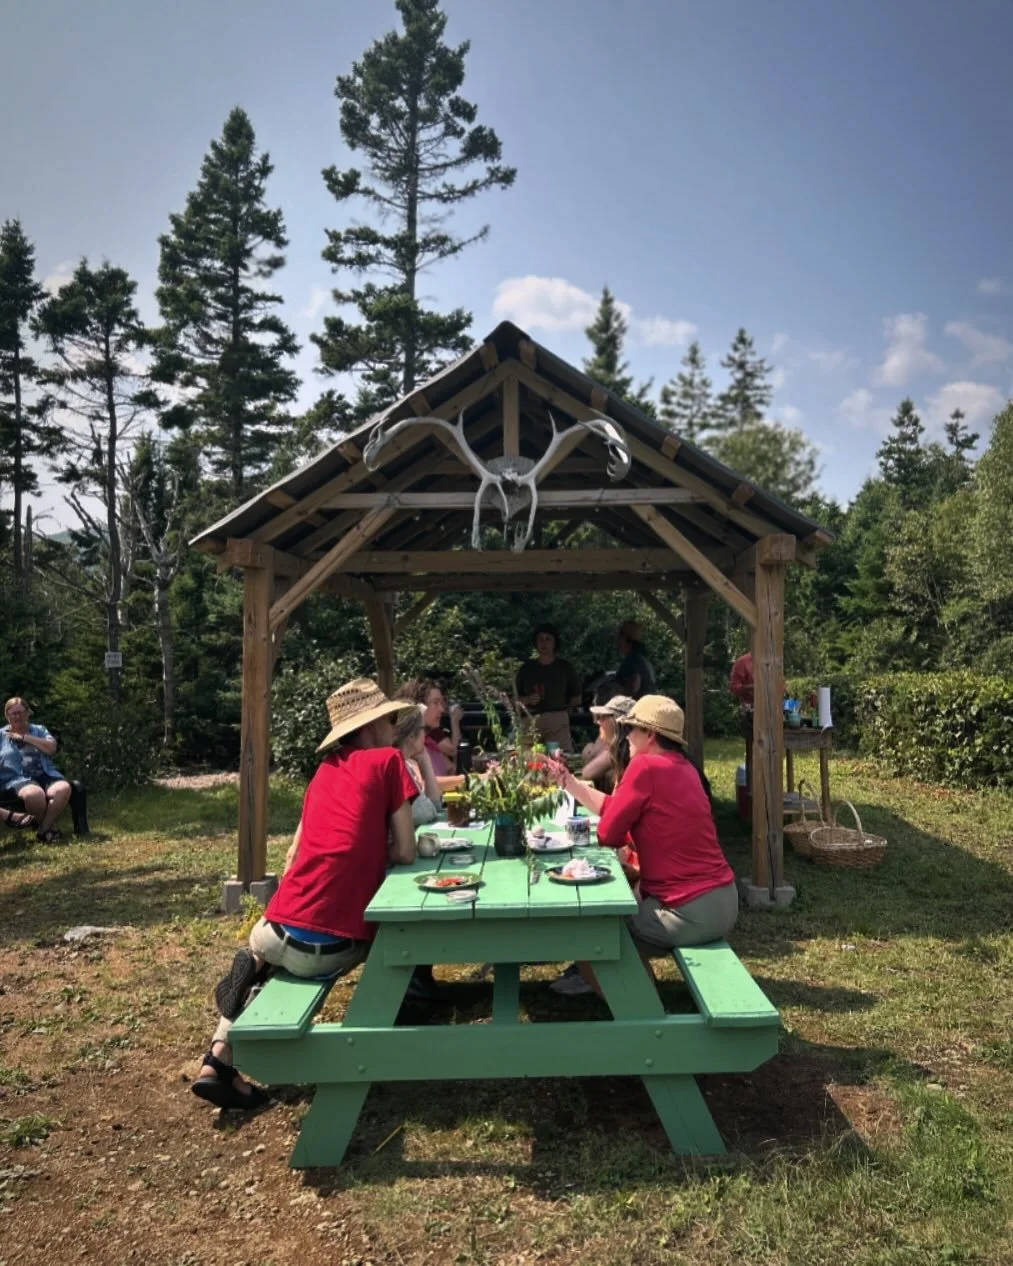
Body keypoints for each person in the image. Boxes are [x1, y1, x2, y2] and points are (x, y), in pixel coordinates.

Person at [191, 678, 418, 1111]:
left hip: (275, 927)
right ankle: (255, 990)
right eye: (389, 719)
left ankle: (217, 1060)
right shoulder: (387, 761)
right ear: (370, 726)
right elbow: (406, 851)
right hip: (332, 945)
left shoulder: (324, 772)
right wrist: (374, 854)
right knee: (326, 958)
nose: (394, 727)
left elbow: (296, 851)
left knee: (267, 971)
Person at [549, 694, 737, 994]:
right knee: (617, 914)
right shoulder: (684, 767)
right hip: (725, 902)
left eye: (632, 729)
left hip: (689, 912)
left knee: (591, 934)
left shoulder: (645, 767)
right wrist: (570, 784)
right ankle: (638, 996)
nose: (627, 737)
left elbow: (608, 835)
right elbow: (618, 808)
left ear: (650, 734)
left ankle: (642, 1012)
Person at [0, 698, 72, 841]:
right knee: (34, 795)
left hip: (45, 773)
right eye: (13, 713)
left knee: (63, 789)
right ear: (7, 715)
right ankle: (48, 831)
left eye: (21, 712)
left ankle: (43, 831)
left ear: (27, 713)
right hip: (17, 778)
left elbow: (51, 748)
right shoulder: (1, 735)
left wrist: (25, 738)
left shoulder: (39, 730)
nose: (17, 716)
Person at [515, 624, 581, 751]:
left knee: (560, 758)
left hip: (557, 719)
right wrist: (528, 700)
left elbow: (577, 698)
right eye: (540, 639)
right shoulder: (526, 668)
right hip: (530, 719)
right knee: (525, 759)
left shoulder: (565, 668)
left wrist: (565, 711)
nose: (543, 643)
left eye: (548, 639)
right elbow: (513, 699)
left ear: (555, 643)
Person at [396, 678, 463, 780]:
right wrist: (470, 779)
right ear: (419, 706)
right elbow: (422, 783)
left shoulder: (429, 741)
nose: (442, 709)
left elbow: (451, 768)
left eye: (441, 703)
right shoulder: (407, 744)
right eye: (435, 703)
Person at [395, 704, 442, 826]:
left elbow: (435, 804)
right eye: (424, 729)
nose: (425, 735)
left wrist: (425, 760)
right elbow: (425, 814)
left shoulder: (407, 764)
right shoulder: (398, 767)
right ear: (411, 736)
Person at [580, 692, 635, 790]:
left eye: (603, 717)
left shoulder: (624, 748)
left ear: (615, 722)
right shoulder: (622, 746)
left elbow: (587, 773)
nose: (598, 721)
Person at [615, 621, 656, 699]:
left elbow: (633, 687)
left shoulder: (632, 661)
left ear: (626, 639)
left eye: (619, 636)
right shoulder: (642, 659)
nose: (616, 641)